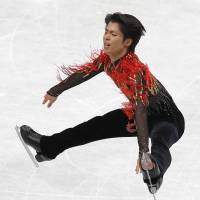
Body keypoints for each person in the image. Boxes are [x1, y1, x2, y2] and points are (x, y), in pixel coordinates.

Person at [18, 12, 185, 194]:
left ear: (127, 42)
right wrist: (56, 90)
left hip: (168, 119)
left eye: (113, 34)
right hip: (139, 114)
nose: (106, 37)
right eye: (106, 31)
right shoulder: (107, 60)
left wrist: (143, 152)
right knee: (95, 126)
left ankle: (154, 170)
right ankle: (47, 147)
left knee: (160, 142)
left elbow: (140, 110)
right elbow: (85, 73)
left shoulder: (134, 71)